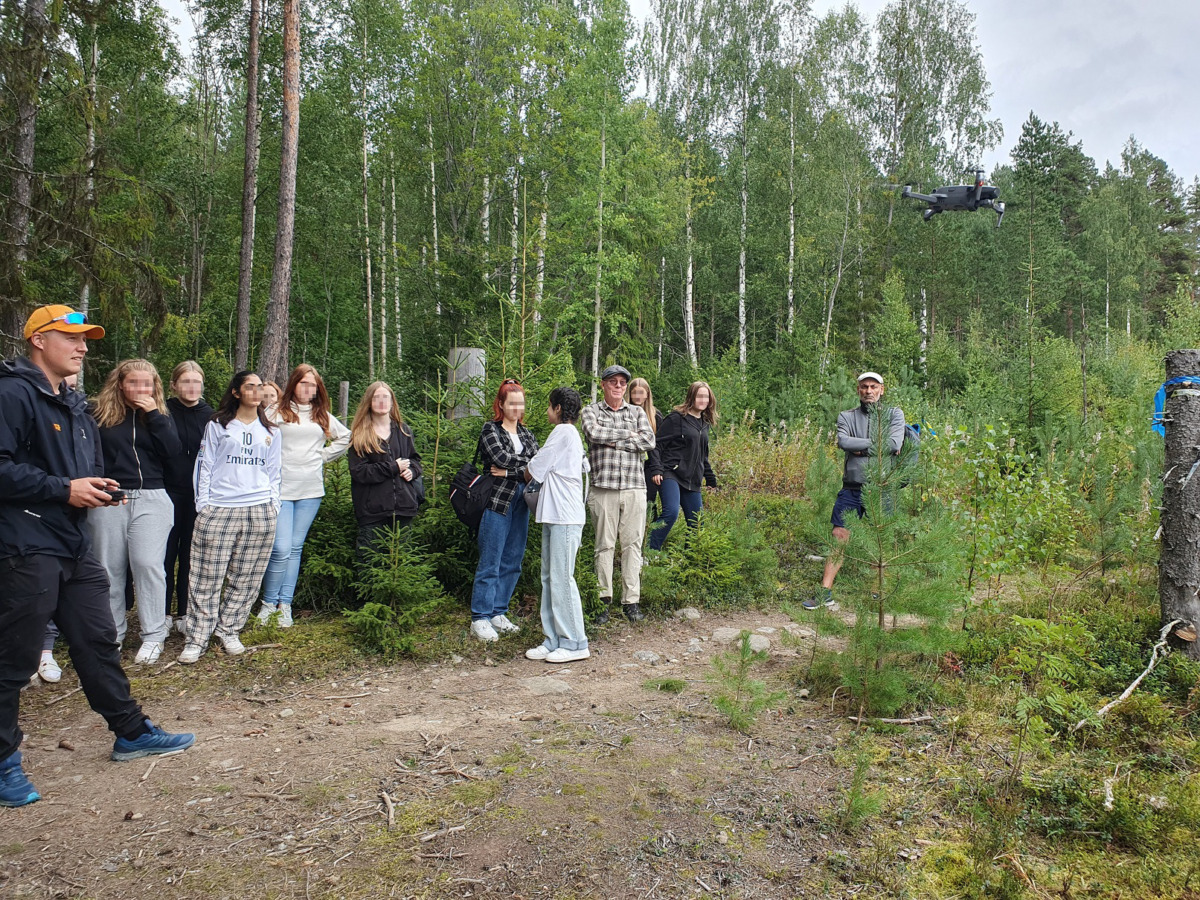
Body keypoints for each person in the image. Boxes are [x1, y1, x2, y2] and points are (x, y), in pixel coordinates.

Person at [0, 305, 194, 808]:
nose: (83, 347)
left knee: (98, 639)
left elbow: (79, 471)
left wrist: (97, 488)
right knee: (14, 657)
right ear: (38, 340)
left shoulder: (74, 406)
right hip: (24, 543)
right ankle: (3, 761)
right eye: (72, 338)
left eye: (86, 339)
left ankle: (130, 732)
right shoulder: (13, 394)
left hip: (72, 542)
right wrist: (64, 488)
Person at [180, 372, 282, 664]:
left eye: (260, 387)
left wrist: (273, 505)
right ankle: (197, 637)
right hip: (220, 507)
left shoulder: (271, 430)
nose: (256, 391)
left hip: (259, 509)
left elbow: (275, 471)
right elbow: (205, 464)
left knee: (247, 576)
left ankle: (229, 629)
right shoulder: (218, 425)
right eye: (250, 386)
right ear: (236, 392)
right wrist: (204, 504)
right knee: (206, 576)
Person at [88, 359, 182, 664]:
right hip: (110, 497)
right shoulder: (98, 414)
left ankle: (154, 634)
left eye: (147, 384)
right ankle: (112, 634)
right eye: (133, 383)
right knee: (108, 569)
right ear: (120, 384)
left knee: (148, 564)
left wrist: (152, 414)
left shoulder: (160, 416)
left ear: (155, 386)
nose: (141, 389)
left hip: (152, 496)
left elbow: (172, 452)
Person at [803, 371, 905, 610]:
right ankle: (824, 593)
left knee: (879, 541)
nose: (868, 391)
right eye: (864, 387)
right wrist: (877, 446)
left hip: (882, 489)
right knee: (839, 536)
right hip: (851, 488)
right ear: (858, 390)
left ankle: (878, 594)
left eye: (873, 387)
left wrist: (861, 447)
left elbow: (894, 444)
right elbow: (844, 442)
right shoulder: (846, 416)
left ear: (881, 390)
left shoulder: (894, 414)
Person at [259, 365, 350, 627]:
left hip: (310, 490)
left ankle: (284, 605)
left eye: (313, 384)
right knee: (280, 548)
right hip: (281, 489)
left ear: (317, 389)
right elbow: (259, 438)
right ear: (294, 384)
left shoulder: (321, 415)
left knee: (295, 547)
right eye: (303, 383)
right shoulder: (276, 411)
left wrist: (323, 456)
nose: (308, 388)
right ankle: (268, 604)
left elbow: (346, 437)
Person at [580, 365, 655, 623]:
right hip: (603, 487)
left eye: (623, 382)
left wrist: (611, 440)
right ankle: (603, 601)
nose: (619, 386)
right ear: (603, 384)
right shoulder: (591, 411)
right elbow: (593, 433)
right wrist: (628, 435)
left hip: (634, 487)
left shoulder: (637, 411)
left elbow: (648, 441)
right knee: (604, 546)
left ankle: (631, 602)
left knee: (633, 545)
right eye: (613, 382)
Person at [524, 387, 591, 663]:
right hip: (555, 515)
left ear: (559, 408)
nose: (547, 411)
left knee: (562, 578)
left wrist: (525, 467)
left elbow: (533, 470)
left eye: (549, 406)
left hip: (565, 516)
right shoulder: (569, 434)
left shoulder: (563, 432)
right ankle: (553, 639)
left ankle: (575, 642)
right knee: (550, 577)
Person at [470, 379, 539, 642]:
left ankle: (499, 612)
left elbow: (537, 461)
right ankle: (480, 617)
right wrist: (524, 468)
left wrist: (509, 472)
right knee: (491, 559)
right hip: (497, 502)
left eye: (520, 403)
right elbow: (499, 458)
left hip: (523, 503)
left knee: (513, 559)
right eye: (512, 403)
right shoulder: (491, 429)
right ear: (501, 404)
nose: (516, 408)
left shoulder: (527, 433)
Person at [347, 382, 423, 577]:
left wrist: (412, 471)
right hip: (372, 511)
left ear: (392, 402)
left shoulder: (403, 430)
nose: (381, 401)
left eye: (385, 397)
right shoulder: (360, 434)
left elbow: (415, 460)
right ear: (369, 401)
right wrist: (393, 467)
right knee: (369, 566)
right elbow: (359, 472)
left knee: (402, 564)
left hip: (404, 508)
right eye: (376, 397)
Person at [164, 361, 214, 631]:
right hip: (166, 492)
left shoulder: (212, 417)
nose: (192, 387)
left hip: (198, 496)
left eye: (197, 382)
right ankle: (162, 614)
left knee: (191, 556)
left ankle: (185, 613)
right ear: (174, 384)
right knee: (165, 555)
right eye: (186, 381)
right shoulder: (162, 412)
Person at [648, 381, 719, 550]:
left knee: (697, 523)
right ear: (691, 397)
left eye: (706, 397)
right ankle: (649, 552)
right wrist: (657, 469)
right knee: (671, 513)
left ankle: (688, 560)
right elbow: (656, 445)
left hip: (692, 478)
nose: (703, 400)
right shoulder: (676, 418)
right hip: (671, 473)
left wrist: (710, 479)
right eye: (699, 396)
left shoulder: (704, 423)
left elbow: (703, 455)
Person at [628, 377, 663, 509]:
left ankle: (650, 522)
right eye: (634, 392)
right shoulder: (625, 412)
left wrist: (657, 468)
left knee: (649, 500)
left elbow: (658, 444)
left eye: (641, 392)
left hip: (649, 464)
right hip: (630, 462)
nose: (638, 396)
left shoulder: (655, 415)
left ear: (647, 394)